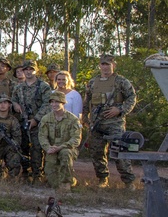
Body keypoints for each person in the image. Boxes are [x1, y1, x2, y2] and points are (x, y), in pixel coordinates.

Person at [82, 54, 137, 189]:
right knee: (96, 153)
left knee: (120, 152)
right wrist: (85, 118)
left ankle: (129, 182)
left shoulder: (121, 81)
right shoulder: (92, 82)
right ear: (99, 66)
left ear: (114, 65)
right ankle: (102, 179)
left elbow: (132, 98)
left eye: (108, 64)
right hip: (97, 124)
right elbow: (87, 101)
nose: (105, 67)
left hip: (115, 124)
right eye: (103, 64)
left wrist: (120, 110)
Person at [38, 91, 81, 191]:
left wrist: (61, 147)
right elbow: (42, 136)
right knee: (52, 180)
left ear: (63, 103)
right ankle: (72, 181)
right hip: (52, 149)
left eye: (57, 102)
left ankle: (66, 183)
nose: (54, 104)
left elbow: (76, 139)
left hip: (67, 148)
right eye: (52, 102)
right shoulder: (46, 119)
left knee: (65, 154)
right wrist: (48, 148)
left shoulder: (73, 119)